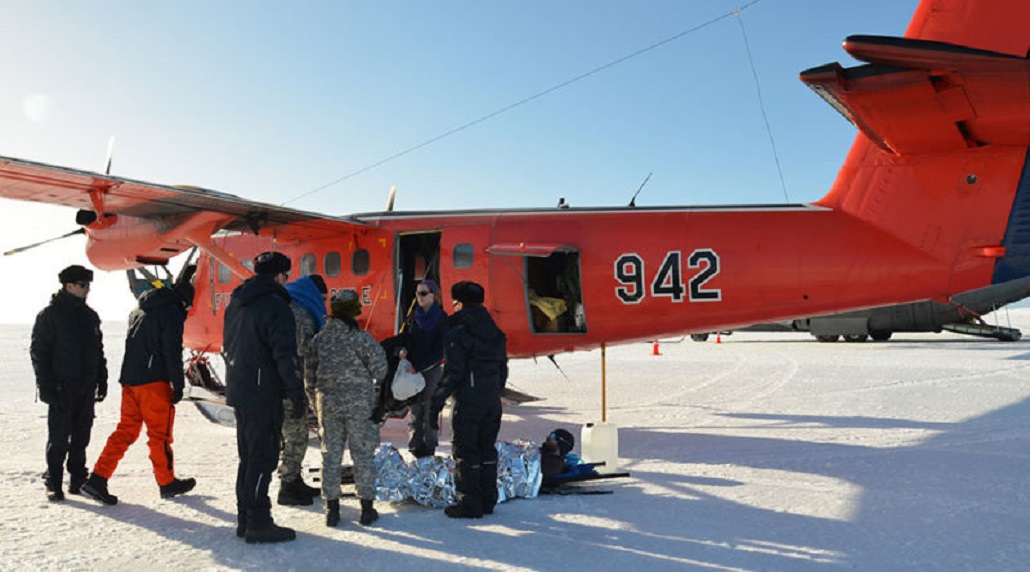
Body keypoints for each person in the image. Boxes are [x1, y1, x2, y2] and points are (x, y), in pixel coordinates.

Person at [81, 280, 198, 505]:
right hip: (153, 382)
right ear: (184, 301)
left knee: (125, 431)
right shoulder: (171, 312)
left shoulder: (139, 310)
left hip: (130, 380)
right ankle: (167, 482)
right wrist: (178, 383)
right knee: (159, 434)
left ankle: (97, 479)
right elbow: (171, 350)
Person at [223, 251, 306, 544]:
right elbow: (284, 355)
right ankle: (259, 522)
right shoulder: (276, 306)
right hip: (262, 394)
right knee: (263, 457)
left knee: (248, 458)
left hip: (239, 389)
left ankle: (246, 517)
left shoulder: (236, 302)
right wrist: (296, 392)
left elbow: (229, 346)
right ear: (280, 276)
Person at [308, 289, 388, 527]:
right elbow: (381, 371)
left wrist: (316, 405)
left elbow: (308, 378)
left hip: (328, 406)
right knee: (362, 455)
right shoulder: (361, 339)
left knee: (329, 456)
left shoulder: (319, 340)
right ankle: (366, 509)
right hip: (359, 407)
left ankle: (332, 510)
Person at [31, 264, 108, 502]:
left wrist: (101, 379)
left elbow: (98, 350)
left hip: (85, 387)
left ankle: (77, 479)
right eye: (83, 285)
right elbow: (39, 353)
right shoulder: (50, 315)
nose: (87, 290)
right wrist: (45, 385)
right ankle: (53, 481)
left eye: (89, 285)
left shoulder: (90, 316)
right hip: (61, 388)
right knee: (59, 437)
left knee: (82, 436)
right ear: (69, 286)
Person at [431, 281, 508, 518]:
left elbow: (453, 372)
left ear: (459, 303)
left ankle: (470, 502)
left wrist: (437, 400)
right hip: (492, 401)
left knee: (465, 451)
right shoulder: (495, 332)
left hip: (469, 400)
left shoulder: (457, 333)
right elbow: (502, 368)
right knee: (487, 450)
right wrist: (495, 391)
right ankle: (488, 500)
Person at [276, 274, 328, 506]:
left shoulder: (288, 305)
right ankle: (288, 486)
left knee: (292, 434)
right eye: (323, 297)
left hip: (281, 383)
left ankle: (293, 479)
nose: (324, 303)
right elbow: (301, 351)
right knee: (296, 436)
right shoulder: (300, 313)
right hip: (290, 384)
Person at [398, 279, 448, 458]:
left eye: (424, 293)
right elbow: (406, 338)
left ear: (433, 296)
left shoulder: (441, 319)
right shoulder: (414, 317)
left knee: (430, 409)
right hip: (413, 370)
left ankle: (429, 446)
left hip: (431, 370)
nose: (420, 297)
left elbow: (440, 351)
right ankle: (415, 445)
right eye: (418, 293)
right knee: (415, 408)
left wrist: (419, 366)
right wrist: (403, 350)